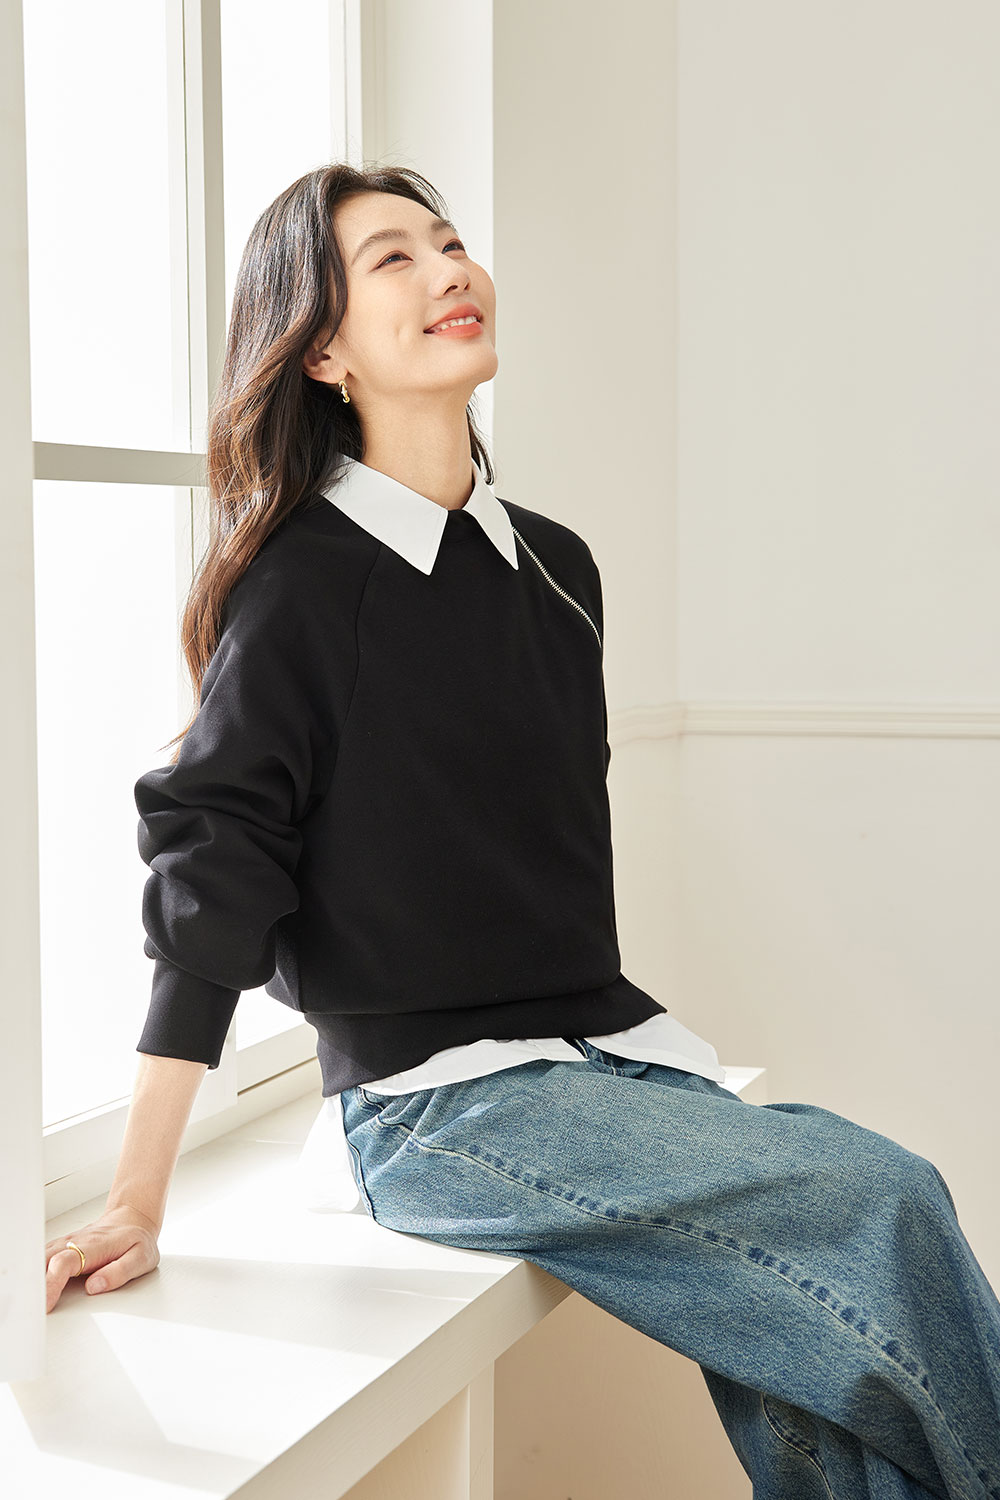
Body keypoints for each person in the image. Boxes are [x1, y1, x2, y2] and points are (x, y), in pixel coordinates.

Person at [45, 161, 1000, 1500]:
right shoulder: (301, 585)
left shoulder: (556, 565)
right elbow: (215, 885)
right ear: (321, 351)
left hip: (603, 1057)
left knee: (808, 1374)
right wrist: (138, 1198)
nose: (450, 269)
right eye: (393, 257)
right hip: (434, 1105)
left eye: (450, 242)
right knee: (886, 1196)